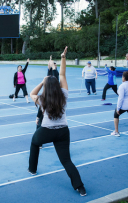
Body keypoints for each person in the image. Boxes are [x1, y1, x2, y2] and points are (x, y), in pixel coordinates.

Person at [29, 46, 86, 196]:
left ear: (46, 87)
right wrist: (63, 57)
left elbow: (31, 93)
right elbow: (62, 74)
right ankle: (80, 187)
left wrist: (42, 82)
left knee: (35, 142)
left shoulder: (42, 99)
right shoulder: (64, 94)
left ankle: (32, 169)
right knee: (66, 161)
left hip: (46, 131)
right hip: (62, 131)